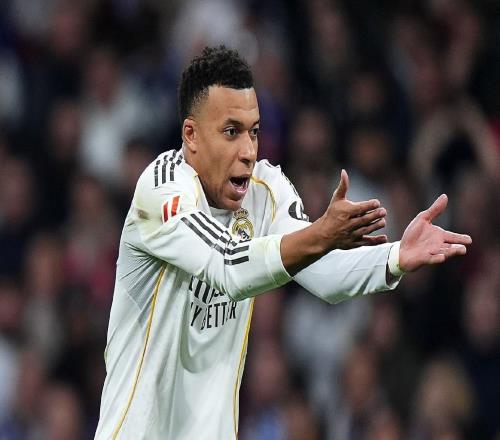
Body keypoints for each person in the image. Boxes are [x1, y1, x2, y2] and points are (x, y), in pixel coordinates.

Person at [94, 46, 471, 439]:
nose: (248, 151)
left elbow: (323, 273)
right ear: (192, 135)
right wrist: (322, 234)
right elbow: (228, 266)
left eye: (254, 131)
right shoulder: (162, 191)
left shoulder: (266, 190)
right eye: (231, 132)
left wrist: (394, 257)